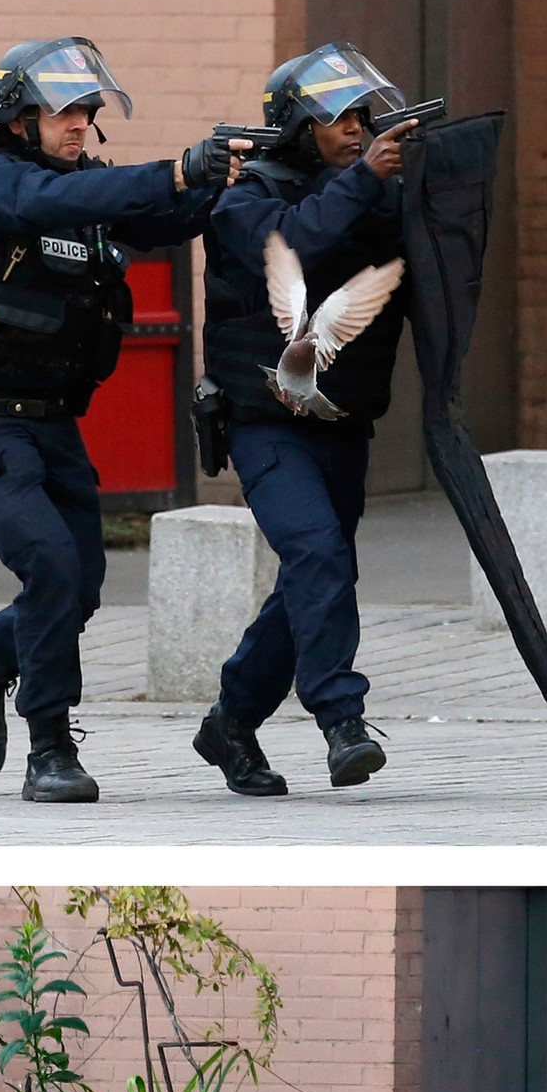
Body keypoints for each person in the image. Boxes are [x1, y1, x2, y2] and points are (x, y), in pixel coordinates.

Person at [0, 39, 232, 802]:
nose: (79, 124)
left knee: (82, 583)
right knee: (52, 565)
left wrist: (226, 177)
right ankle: (50, 747)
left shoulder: (80, 184)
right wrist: (172, 170)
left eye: (87, 111)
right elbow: (47, 205)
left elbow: (155, 218)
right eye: (63, 111)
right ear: (18, 117)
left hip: (53, 419)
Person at [192, 44, 419, 798]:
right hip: (266, 422)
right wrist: (366, 180)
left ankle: (230, 721)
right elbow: (296, 247)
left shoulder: (360, 188)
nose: (358, 130)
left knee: (314, 578)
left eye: (363, 116)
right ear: (298, 126)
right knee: (318, 556)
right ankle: (341, 721)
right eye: (340, 118)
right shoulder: (242, 199)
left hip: (341, 421)